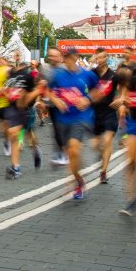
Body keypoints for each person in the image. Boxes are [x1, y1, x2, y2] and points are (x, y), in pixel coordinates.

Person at [48, 48, 99, 200]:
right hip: (63, 119)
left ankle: (77, 184)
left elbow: (98, 92)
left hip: (81, 117)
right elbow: (49, 91)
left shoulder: (87, 75)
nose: (68, 60)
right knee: (71, 154)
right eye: (66, 57)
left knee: (74, 149)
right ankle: (79, 181)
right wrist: (56, 100)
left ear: (76, 57)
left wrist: (87, 99)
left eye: (71, 57)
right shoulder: (58, 75)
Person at [4, 62, 45, 179]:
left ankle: (36, 150)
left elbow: (33, 93)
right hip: (13, 108)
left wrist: (36, 99)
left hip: (26, 109)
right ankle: (16, 167)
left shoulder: (28, 77)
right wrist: (7, 94)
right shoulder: (11, 77)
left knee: (28, 133)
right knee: (14, 135)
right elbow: (6, 91)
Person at [118, 41, 136, 216]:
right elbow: (125, 91)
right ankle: (132, 198)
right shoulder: (131, 70)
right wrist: (122, 103)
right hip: (134, 120)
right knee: (131, 159)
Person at [91, 48, 121, 184]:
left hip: (109, 112)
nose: (100, 60)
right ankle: (101, 154)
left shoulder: (113, 75)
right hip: (95, 113)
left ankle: (103, 172)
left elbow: (123, 89)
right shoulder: (92, 74)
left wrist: (121, 99)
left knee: (107, 141)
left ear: (107, 58)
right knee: (97, 145)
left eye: (102, 57)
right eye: (98, 57)